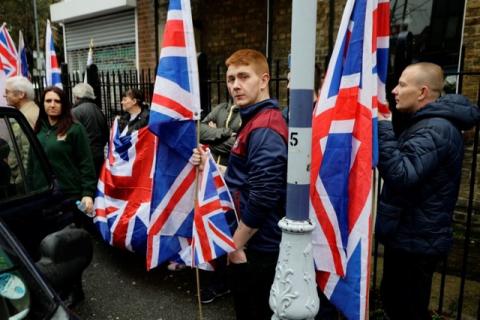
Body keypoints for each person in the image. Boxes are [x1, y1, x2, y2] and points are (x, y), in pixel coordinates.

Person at [376, 62, 480, 320]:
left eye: (402, 84)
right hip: (411, 236)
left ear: (422, 92)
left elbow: (402, 174)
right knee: (397, 305)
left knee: (406, 310)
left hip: (416, 242)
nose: (394, 91)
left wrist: (383, 127)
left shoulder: (435, 128)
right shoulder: (429, 124)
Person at [193, 49, 288, 319]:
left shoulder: (264, 127)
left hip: (256, 249)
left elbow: (263, 195)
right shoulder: (254, 120)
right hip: (252, 245)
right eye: (231, 78)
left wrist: (235, 246)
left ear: (264, 80)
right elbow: (244, 179)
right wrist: (209, 166)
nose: (235, 85)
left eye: (244, 76)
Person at [198, 102, 241, 304]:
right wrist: (227, 133)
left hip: (233, 183)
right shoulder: (221, 108)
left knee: (231, 233)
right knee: (213, 228)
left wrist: (213, 137)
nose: (234, 86)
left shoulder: (250, 113)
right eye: (230, 79)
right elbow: (199, 130)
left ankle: (224, 282)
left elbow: (238, 144)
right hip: (213, 179)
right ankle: (216, 283)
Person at [34, 86, 96, 217]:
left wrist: (87, 194)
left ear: (64, 104)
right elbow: (31, 163)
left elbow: (86, 163)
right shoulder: (38, 128)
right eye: (48, 101)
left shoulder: (75, 129)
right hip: (41, 195)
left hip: (69, 196)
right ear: (42, 103)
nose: (52, 105)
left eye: (57, 101)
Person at [72, 83, 109, 177]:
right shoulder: (99, 110)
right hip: (99, 154)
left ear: (77, 97)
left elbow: (72, 136)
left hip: (84, 157)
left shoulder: (75, 112)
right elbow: (106, 134)